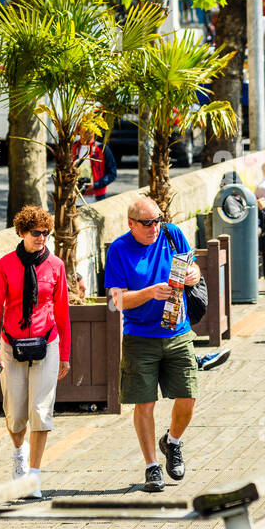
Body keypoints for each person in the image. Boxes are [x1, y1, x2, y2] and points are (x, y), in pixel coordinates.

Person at [104, 196, 201, 493]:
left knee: (188, 397)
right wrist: (148, 293)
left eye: (157, 220)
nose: (154, 227)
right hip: (140, 337)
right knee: (144, 404)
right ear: (131, 223)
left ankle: (171, 442)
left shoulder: (172, 234)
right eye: (147, 223)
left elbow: (191, 269)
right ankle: (151, 467)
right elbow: (116, 301)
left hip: (178, 330)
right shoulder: (119, 249)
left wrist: (194, 275)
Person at [0, 205, 71, 499]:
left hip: (47, 345)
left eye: (46, 233)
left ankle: (33, 476)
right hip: (11, 345)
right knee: (15, 413)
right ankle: (18, 454)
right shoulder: (5, 265)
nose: (42, 238)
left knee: (40, 411)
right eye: (36, 233)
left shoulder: (56, 266)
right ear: (22, 232)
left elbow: (62, 312)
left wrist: (66, 354)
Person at [75, 128, 118, 202]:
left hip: (97, 198)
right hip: (74, 199)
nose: (87, 130)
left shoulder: (102, 149)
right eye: (84, 126)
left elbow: (112, 174)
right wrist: (70, 182)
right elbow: (55, 171)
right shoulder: (72, 148)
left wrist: (96, 185)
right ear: (79, 130)